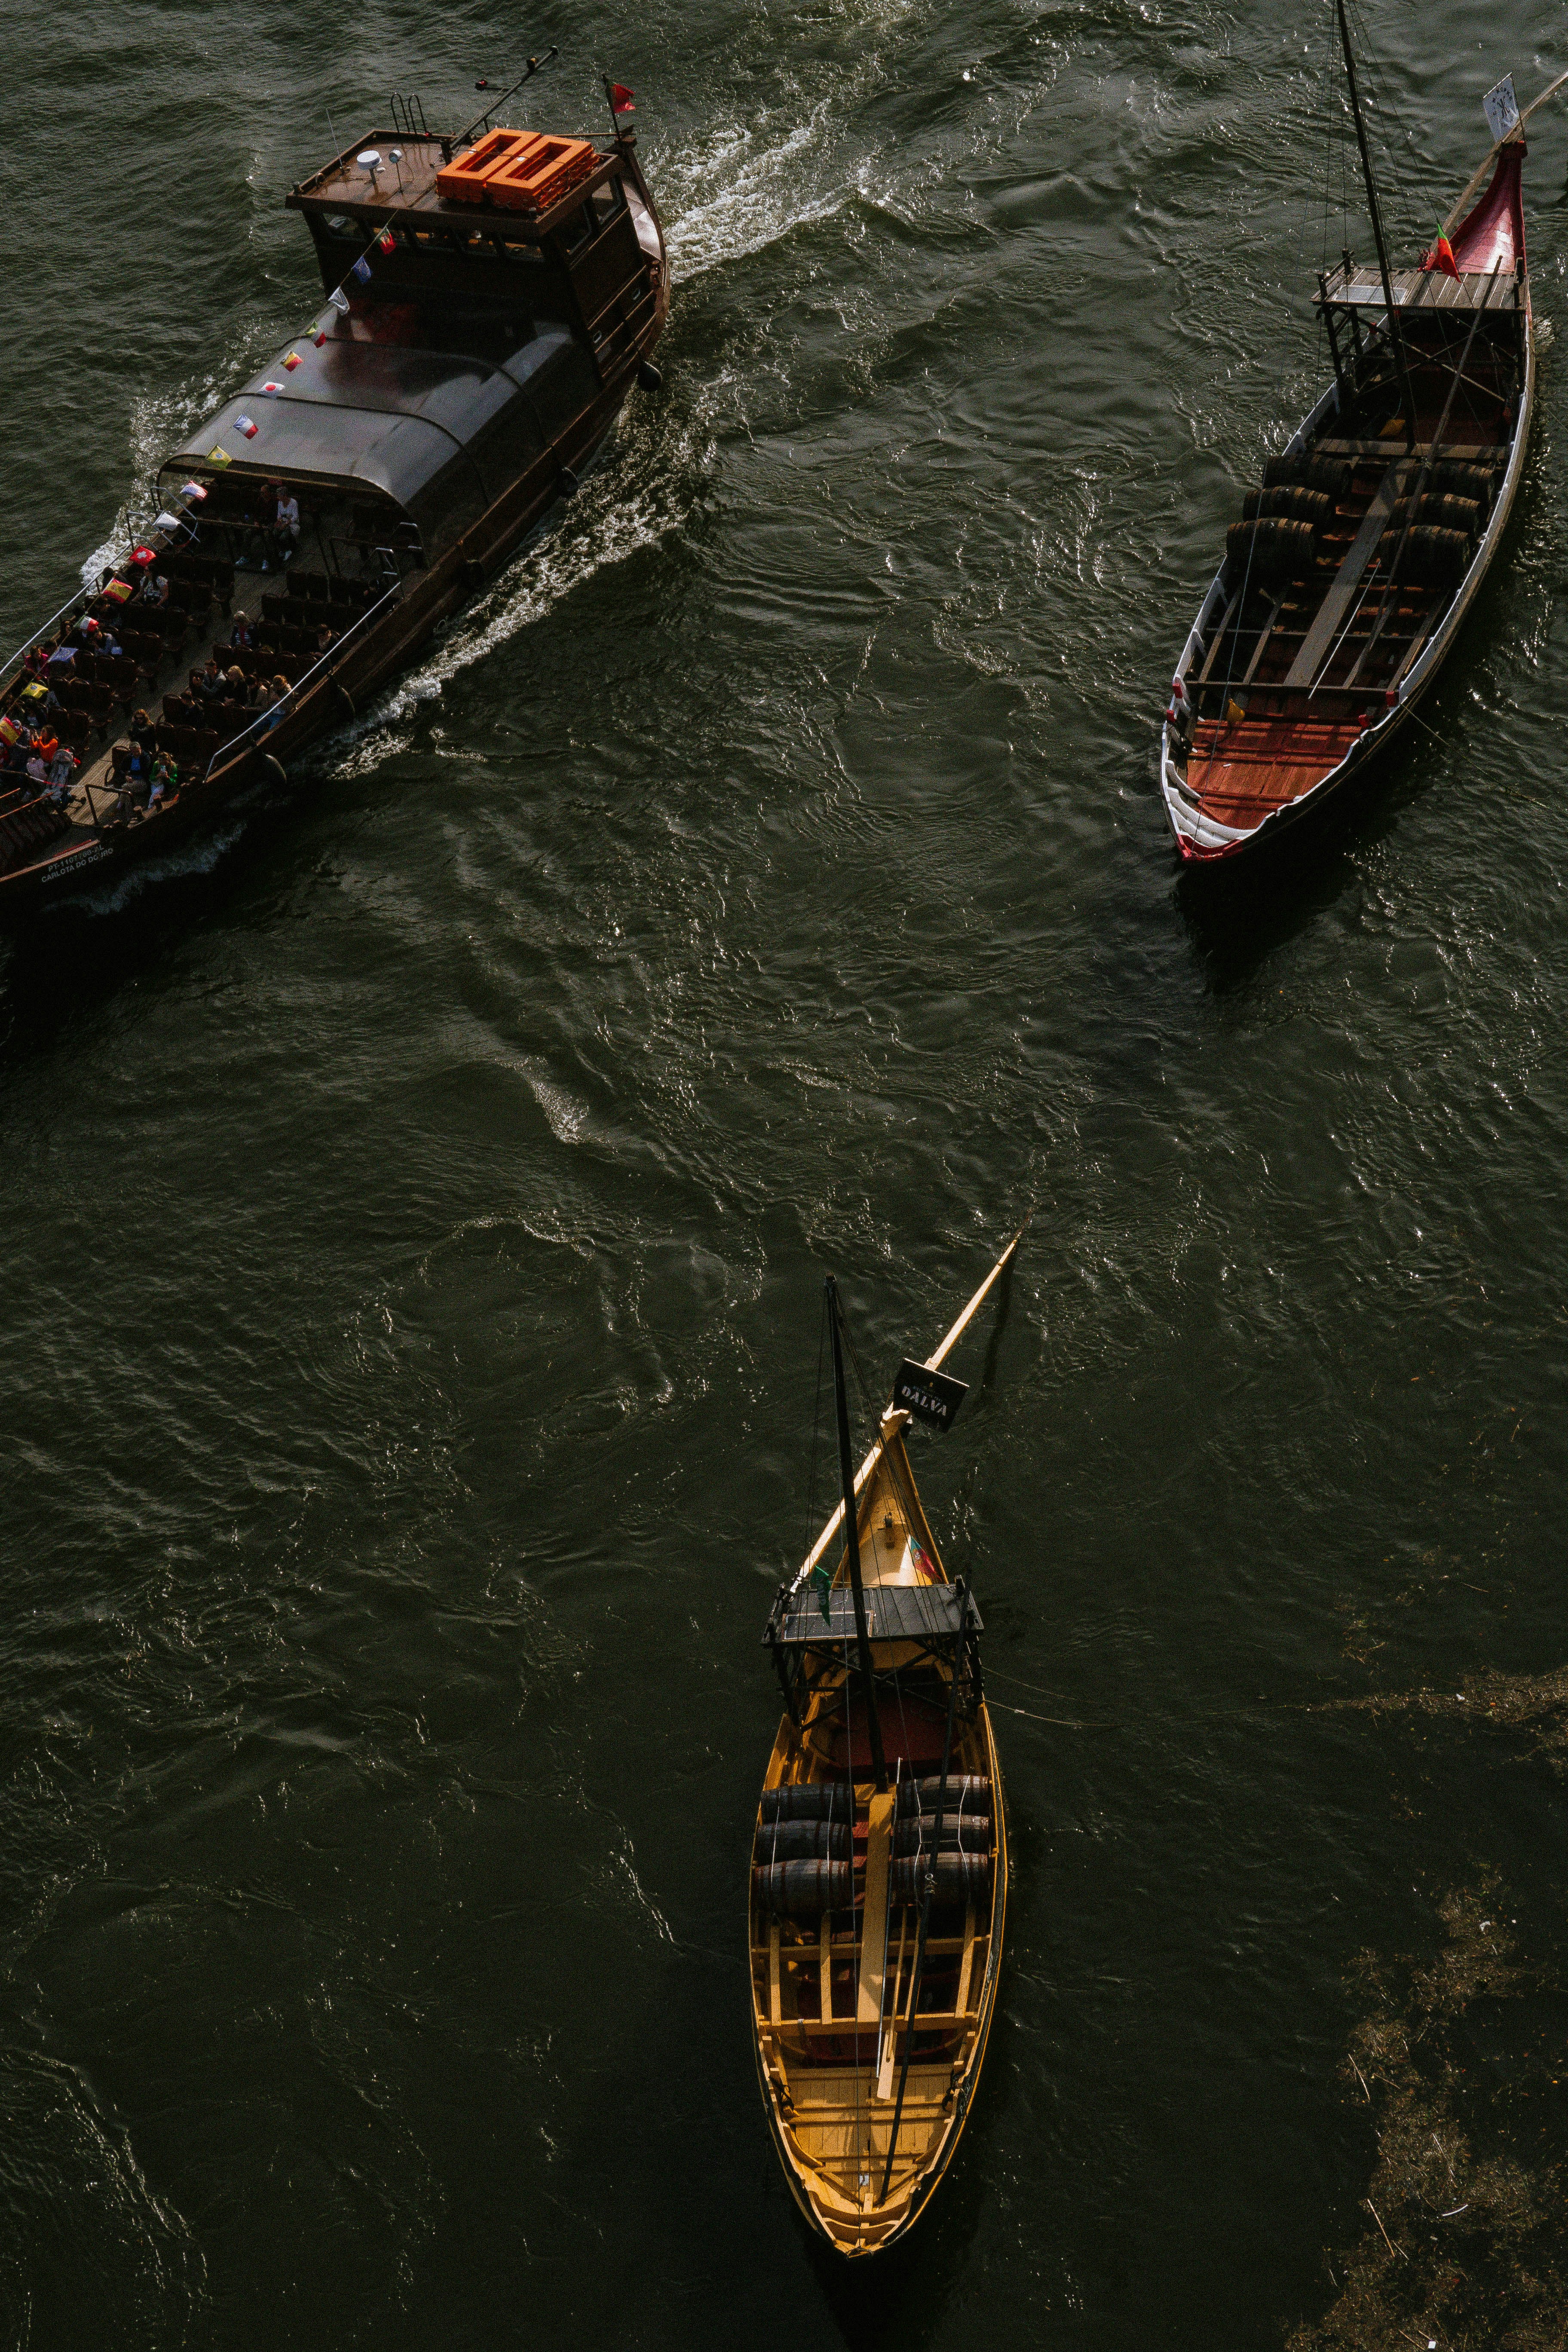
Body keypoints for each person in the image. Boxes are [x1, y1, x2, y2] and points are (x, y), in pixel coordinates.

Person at [273, 486, 300, 564]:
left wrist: (287, 523)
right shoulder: (280, 503)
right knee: (275, 533)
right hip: (283, 523)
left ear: (285, 496)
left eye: (280, 496)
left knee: (283, 537)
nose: (278, 498)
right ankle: (282, 549)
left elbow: (295, 516)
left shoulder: (293, 503)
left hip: (292, 524)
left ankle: (288, 550)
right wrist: (279, 520)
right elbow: (279, 514)